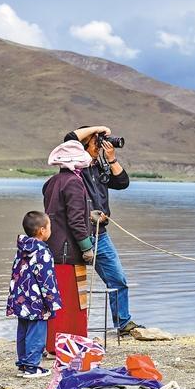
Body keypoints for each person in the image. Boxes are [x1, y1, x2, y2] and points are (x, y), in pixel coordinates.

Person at [64, 126, 143, 336]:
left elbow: (123, 182)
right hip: (75, 235)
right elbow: (70, 138)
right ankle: (68, 328)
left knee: (118, 279)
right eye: (95, 142)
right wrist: (100, 128)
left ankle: (123, 324)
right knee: (70, 286)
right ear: (82, 145)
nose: (99, 145)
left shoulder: (99, 168)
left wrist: (112, 159)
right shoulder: (74, 168)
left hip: (100, 235)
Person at [42, 140, 94, 354]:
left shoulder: (52, 182)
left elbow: (60, 214)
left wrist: (89, 214)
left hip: (53, 250)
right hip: (68, 254)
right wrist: (86, 247)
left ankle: (53, 343)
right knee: (71, 302)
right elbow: (75, 221)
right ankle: (69, 345)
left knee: (56, 300)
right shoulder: (74, 182)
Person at [6, 211, 61, 378]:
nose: (50, 230)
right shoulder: (42, 251)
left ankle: (24, 364)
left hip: (21, 297)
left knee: (23, 331)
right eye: (49, 227)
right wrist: (52, 301)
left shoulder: (22, 248)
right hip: (37, 301)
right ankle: (32, 367)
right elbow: (46, 278)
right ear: (42, 230)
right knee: (37, 333)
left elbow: (16, 272)